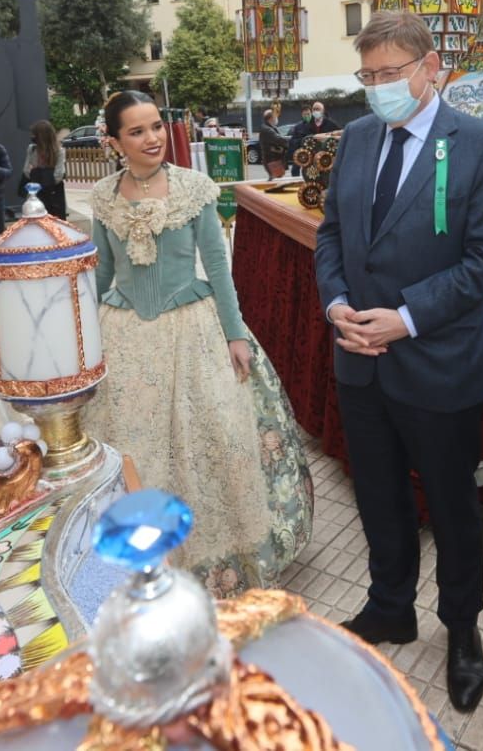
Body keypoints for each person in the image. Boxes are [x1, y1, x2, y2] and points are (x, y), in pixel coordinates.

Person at [313, 10, 483, 713]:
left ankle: (461, 628)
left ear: (431, 68)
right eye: (367, 75)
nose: (377, 88)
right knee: (377, 495)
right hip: (360, 359)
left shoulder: (479, 144)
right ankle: (389, 606)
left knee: (452, 505)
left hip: (438, 359)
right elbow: (332, 235)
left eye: (390, 73)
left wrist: (403, 319)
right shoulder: (357, 137)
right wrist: (337, 304)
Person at [84, 90, 312, 598]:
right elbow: (100, 272)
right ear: (115, 141)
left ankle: (218, 567)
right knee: (137, 452)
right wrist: (85, 341)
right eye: (137, 131)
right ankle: (147, 566)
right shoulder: (103, 196)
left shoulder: (194, 188)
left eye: (156, 127)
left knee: (214, 442)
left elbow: (217, 267)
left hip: (194, 330)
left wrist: (235, 334)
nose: (152, 138)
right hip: (125, 336)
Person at [22, 120, 68, 219]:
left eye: (35, 134)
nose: (32, 137)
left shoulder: (59, 151)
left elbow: (58, 176)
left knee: (54, 222)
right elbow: (26, 171)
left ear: (42, 137)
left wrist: (36, 172)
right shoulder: (32, 149)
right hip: (36, 195)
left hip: (53, 196)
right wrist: (46, 174)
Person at [258, 108, 289, 178]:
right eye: (275, 116)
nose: (276, 118)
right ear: (271, 118)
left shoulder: (270, 128)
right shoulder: (267, 129)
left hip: (274, 160)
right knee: (276, 180)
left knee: (277, 178)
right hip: (272, 160)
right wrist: (291, 140)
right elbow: (279, 139)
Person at [286, 106, 314, 175]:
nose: (307, 116)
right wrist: (302, 140)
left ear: (311, 113)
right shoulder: (298, 126)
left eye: (308, 114)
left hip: (313, 151)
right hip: (301, 151)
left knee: (311, 171)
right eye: (305, 114)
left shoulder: (316, 125)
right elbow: (293, 140)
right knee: (294, 170)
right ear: (302, 115)